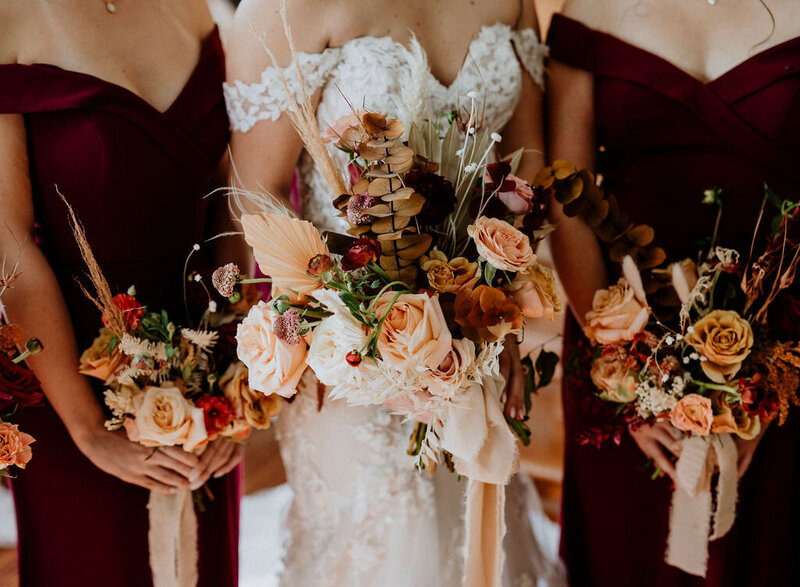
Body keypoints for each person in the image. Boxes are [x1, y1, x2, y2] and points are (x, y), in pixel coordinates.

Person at [224, 0, 561, 584]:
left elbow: (526, 174)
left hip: (475, 333)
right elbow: (257, 191)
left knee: (473, 527)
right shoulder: (289, 7)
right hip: (349, 355)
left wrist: (494, 312)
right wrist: (359, 323)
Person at [547, 0, 800, 585]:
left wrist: (771, 383)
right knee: (631, 552)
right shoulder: (590, 9)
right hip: (619, 330)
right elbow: (569, 200)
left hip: (784, 330)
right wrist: (627, 372)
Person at [0, 1, 241, 584]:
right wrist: (88, 431)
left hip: (204, 369)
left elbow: (231, 209)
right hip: (72, 371)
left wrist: (239, 382)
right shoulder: (11, 17)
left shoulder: (199, 6)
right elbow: (9, 244)